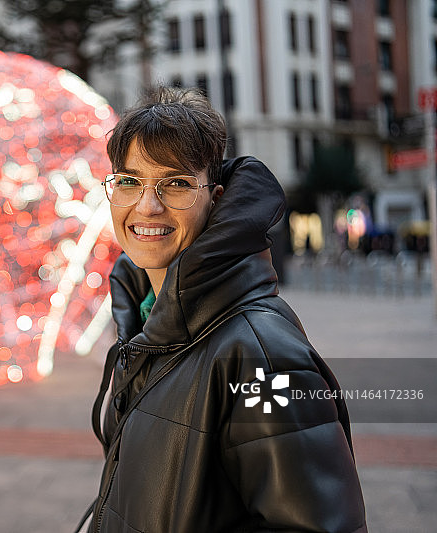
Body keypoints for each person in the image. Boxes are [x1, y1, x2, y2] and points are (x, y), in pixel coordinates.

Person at [80, 87, 366, 532]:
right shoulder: (144, 327)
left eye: (175, 183)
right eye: (129, 181)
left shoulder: (262, 356)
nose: (147, 206)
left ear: (214, 198)